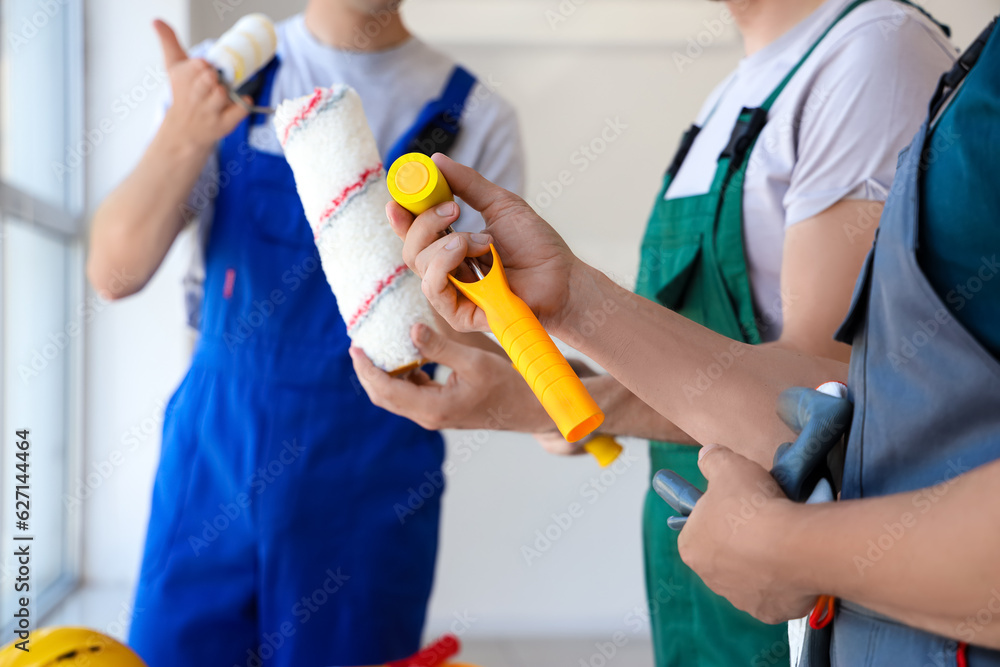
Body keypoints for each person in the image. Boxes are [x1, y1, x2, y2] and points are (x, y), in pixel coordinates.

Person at [357, 14, 1000, 664]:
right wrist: (561, 340)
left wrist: (586, 363)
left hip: (798, 607)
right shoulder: (731, 97)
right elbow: (740, 384)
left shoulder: (875, 51)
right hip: (699, 590)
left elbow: (830, 413)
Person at [86, 1, 523, 664]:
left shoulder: (476, 119)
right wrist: (183, 130)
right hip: (214, 462)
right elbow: (113, 273)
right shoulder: (225, 78)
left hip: (370, 475)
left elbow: (486, 339)